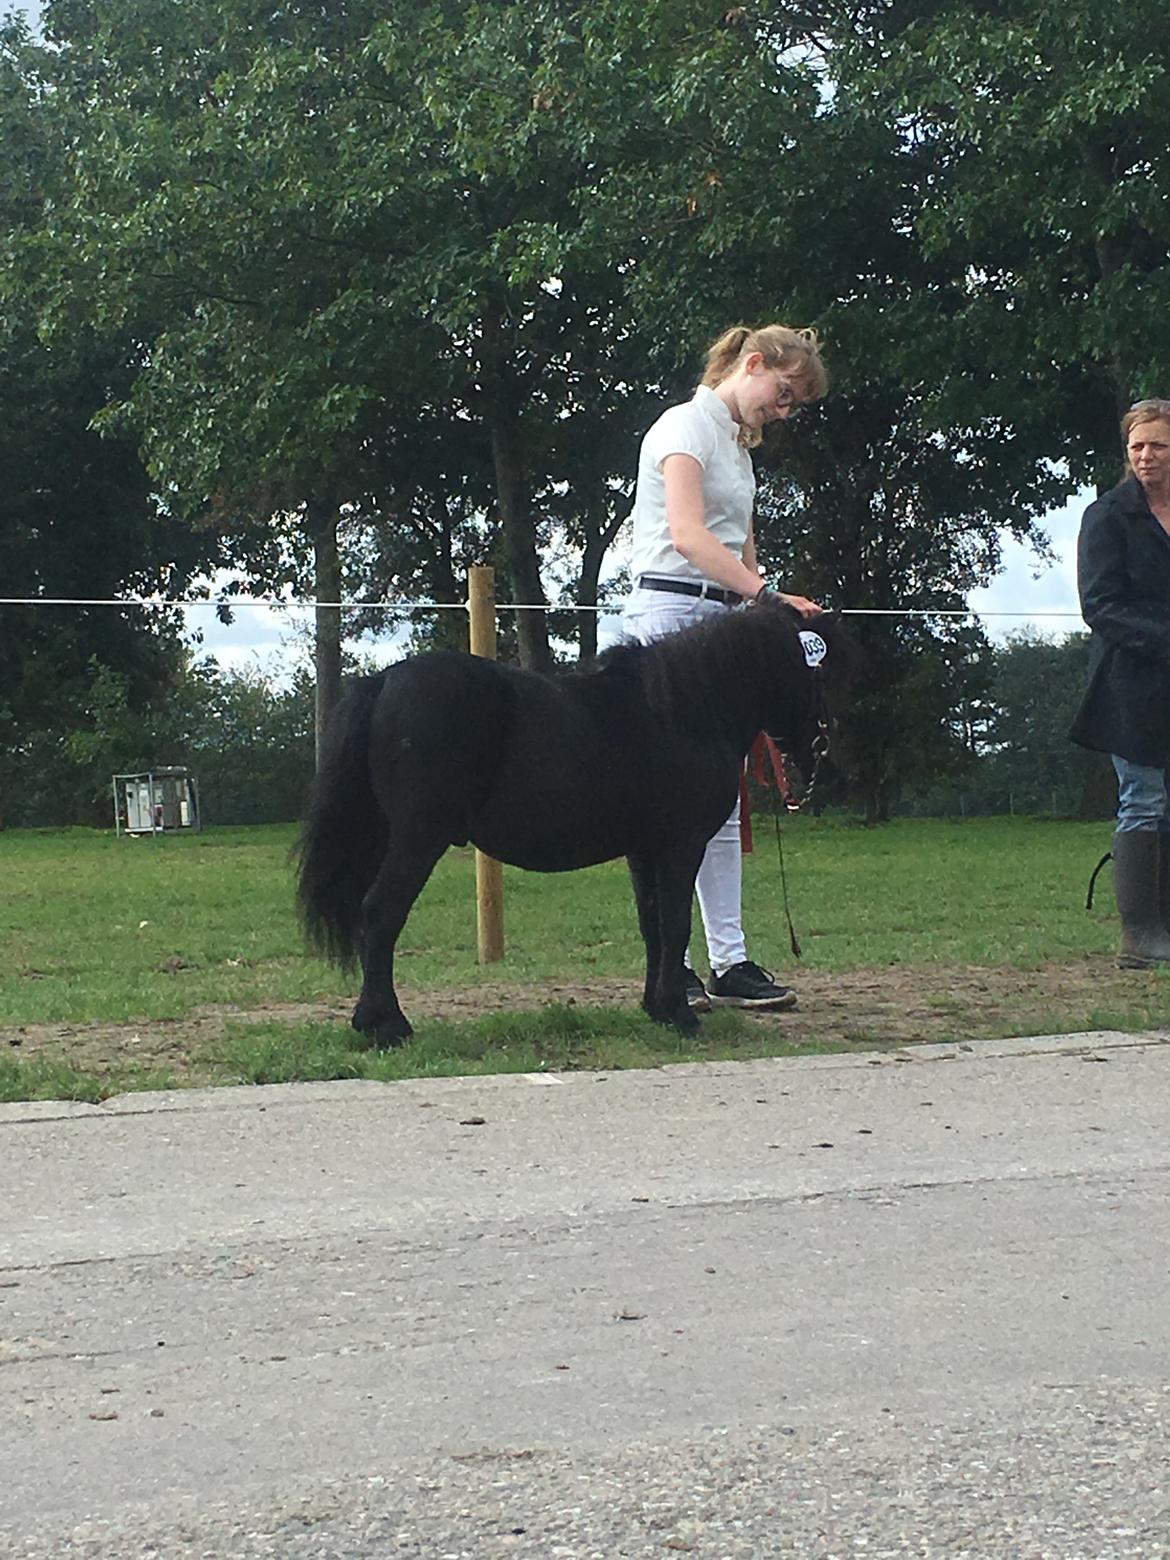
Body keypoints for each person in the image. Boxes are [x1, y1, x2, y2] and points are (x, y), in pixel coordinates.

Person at [621, 323, 828, 1010]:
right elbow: (687, 534)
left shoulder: (740, 453)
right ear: (754, 363)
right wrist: (762, 597)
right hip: (669, 617)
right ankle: (670, 962)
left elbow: (744, 551)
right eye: (784, 392)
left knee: (722, 796)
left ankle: (730, 959)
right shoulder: (683, 428)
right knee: (670, 798)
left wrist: (764, 607)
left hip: (719, 621)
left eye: (794, 402)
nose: (784, 408)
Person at [1071, 397, 1170, 968]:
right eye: (1137, 446)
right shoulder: (1107, 516)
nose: (1146, 456)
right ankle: (1140, 934)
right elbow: (1101, 605)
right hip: (1130, 685)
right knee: (1143, 798)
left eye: (1158, 445)